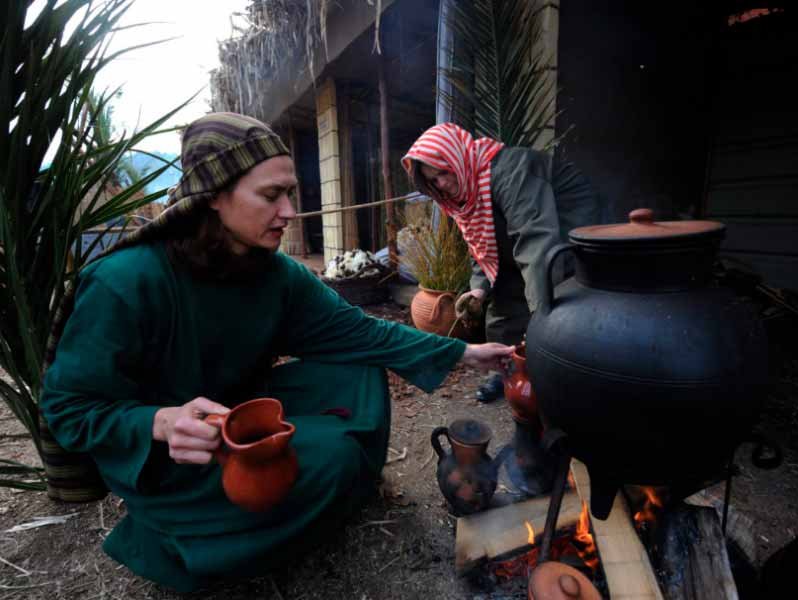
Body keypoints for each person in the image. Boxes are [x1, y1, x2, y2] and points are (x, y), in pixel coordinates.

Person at [39, 113, 513, 592]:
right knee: (334, 457)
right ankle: (191, 541)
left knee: (360, 372)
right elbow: (69, 408)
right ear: (213, 197)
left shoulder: (274, 273)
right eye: (271, 196)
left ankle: (324, 489)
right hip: (179, 460)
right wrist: (159, 422)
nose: (288, 211)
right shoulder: (126, 282)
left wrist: (463, 352)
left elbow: (359, 332)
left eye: (288, 193)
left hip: (246, 408)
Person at [402, 123, 601, 403]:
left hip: (571, 232)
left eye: (444, 172)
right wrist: (478, 290)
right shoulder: (466, 195)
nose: (442, 184)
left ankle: (556, 371)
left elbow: (536, 242)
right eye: (433, 181)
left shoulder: (510, 172)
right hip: (526, 240)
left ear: (458, 158)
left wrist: (543, 318)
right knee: (503, 297)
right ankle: (507, 369)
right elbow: (481, 247)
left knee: (558, 305)